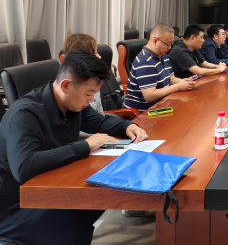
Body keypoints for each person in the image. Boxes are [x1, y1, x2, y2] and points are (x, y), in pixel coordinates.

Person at [0, 50, 148, 245]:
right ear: (66, 85)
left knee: (100, 197)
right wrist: (84, 145)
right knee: (80, 216)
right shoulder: (24, 115)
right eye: (89, 93)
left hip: (51, 185)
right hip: (15, 207)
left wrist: (127, 126)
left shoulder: (70, 103)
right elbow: (24, 167)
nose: (91, 99)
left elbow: (98, 121)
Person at [123, 23, 197, 112]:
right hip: (144, 112)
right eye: (167, 44)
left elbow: (171, 78)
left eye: (171, 44)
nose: (170, 48)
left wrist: (184, 82)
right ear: (155, 41)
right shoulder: (145, 61)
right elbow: (150, 96)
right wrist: (178, 87)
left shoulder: (163, 56)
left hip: (161, 105)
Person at [62, 33, 105, 113]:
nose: (99, 57)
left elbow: (99, 113)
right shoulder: (72, 87)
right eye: (95, 53)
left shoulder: (93, 79)